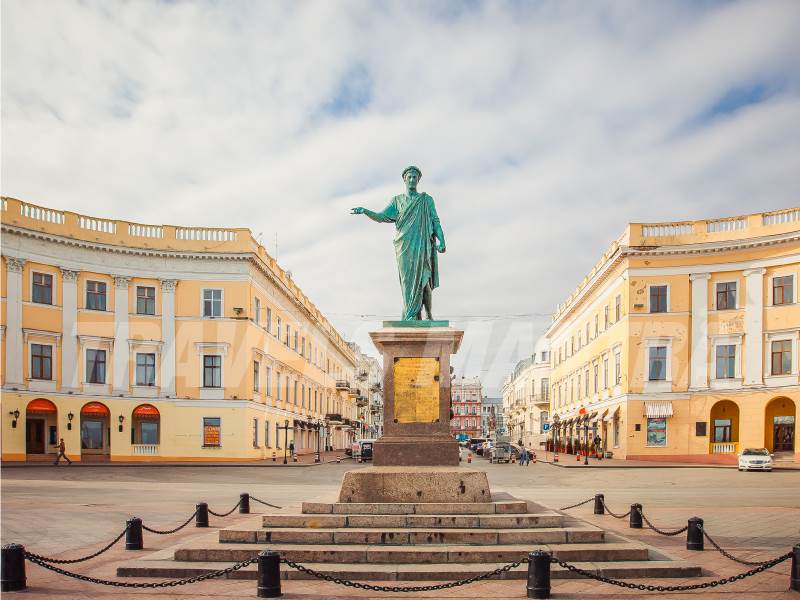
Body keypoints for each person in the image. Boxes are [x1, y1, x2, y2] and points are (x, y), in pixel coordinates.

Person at [351, 166, 446, 321]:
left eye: (415, 177)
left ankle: (428, 315)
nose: (412, 180)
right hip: (404, 247)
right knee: (407, 284)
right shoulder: (397, 201)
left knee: (424, 279)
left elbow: (435, 222)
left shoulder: (426, 200)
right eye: (409, 177)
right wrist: (366, 211)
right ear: (404, 179)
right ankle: (410, 315)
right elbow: (381, 216)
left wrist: (442, 240)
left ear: (418, 180)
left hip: (422, 245)